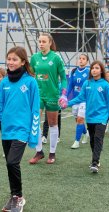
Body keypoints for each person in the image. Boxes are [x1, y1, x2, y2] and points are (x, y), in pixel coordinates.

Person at [0, 46, 40, 212]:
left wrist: (34, 135)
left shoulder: (30, 82)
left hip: (22, 130)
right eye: (9, 59)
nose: (11, 62)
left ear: (23, 62)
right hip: (7, 131)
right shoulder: (4, 82)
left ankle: (19, 197)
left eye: (15, 59)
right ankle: (14, 196)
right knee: (9, 164)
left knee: (13, 162)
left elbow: (35, 109)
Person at [62, 61, 109, 173]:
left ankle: (95, 162)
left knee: (98, 137)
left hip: (102, 116)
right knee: (92, 139)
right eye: (92, 68)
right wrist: (68, 103)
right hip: (90, 117)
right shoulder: (87, 83)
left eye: (97, 68)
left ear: (101, 70)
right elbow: (80, 98)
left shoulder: (105, 85)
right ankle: (96, 158)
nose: (94, 70)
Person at [28, 33, 67, 165]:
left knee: (52, 123)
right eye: (39, 41)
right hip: (38, 94)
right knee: (34, 121)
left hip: (52, 95)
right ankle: (39, 151)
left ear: (50, 43)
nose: (41, 44)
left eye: (44, 41)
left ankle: (52, 152)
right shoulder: (34, 58)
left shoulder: (56, 58)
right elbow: (31, 74)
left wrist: (64, 94)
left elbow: (64, 77)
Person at [68, 54, 90, 149]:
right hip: (76, 99)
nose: (81, 60)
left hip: (84, 100)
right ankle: (85, 133)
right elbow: (70, 86)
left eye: (83, 59)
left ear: (87, 61)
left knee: (81, 119)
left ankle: (76, 141)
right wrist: (65, 96)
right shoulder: (73, 71)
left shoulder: (89, 72)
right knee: (78, 120)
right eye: (80, 59)